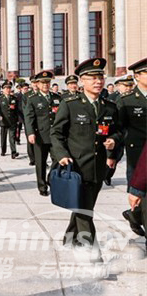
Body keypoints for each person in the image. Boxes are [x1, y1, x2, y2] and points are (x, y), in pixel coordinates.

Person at [50, 58, 122, 262]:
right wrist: (61, 154)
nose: (98, 81)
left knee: (85, 206)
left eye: (100, 77)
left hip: (98, 168)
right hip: (77, 167)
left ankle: (69, 237)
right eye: (92, 77)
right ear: (82, 81)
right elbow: (56, 133)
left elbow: (117, 132)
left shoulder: (109, 107)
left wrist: (113, 142)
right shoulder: (70, 105)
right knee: (84, 210)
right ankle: (93, 255)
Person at [117, 58, 147, 244]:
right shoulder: (127, 100)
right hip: (137, 157)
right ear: (137, 76)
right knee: (140, 195)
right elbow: (119, 129)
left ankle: (134, 216)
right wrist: (113, 155)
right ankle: (135, 215)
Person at [24, 71, 61, 196]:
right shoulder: (32, 99)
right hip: (40, 135)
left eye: (47, 82)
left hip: (55, 136)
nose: (45, 85)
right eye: (43, 82)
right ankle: (42, 186)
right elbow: (29, 118)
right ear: (37, 84)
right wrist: (30, 133)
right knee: (40, 162)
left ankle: (50, 178)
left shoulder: (57, 98)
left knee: (58, 159)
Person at [0, 81, 19, 158]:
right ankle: (3, 150)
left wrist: (17, 120)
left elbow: (16, 110)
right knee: (3, 137)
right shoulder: (0, 98)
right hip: (3, 120)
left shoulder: (14, 98)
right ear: (3, 90)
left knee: (12, 137)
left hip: (12, 121)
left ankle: (13, 152)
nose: (8, 90)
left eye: (9, 88)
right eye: (6, 88)